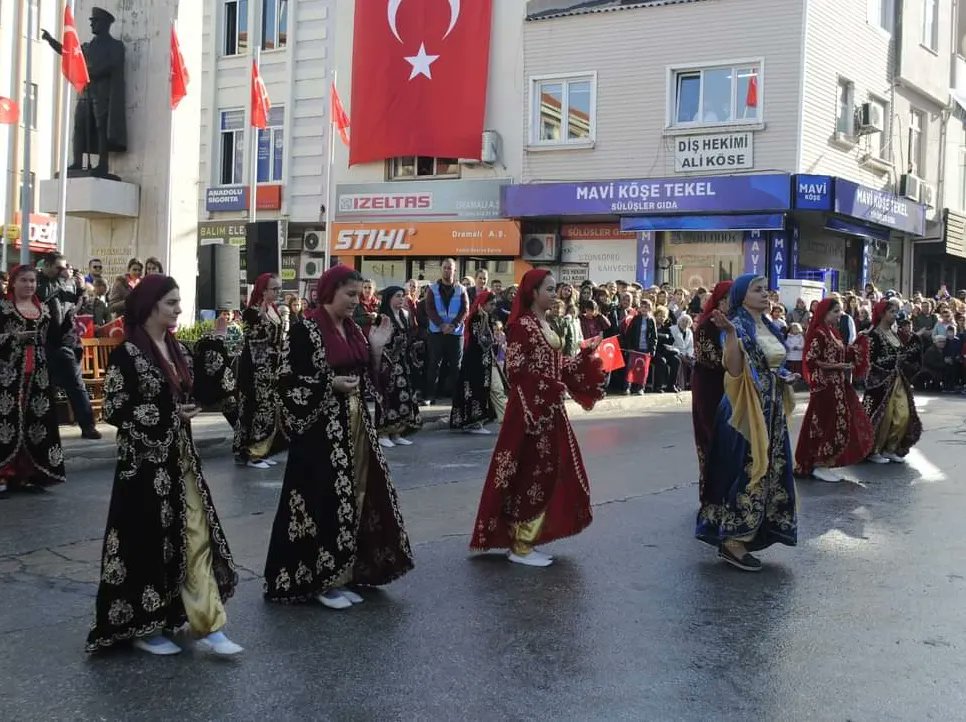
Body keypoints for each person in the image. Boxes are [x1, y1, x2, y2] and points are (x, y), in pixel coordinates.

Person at [86, 275, 242, 656]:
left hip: (181, 458)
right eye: (171, 303)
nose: (178, 309)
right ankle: (143, 624)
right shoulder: (129, 353)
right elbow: (116, 408)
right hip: (142, 466)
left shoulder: (178, 349)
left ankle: (208, 623)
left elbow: (207, 390)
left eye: (178, 303)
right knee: (146, 542)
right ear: (150, 305)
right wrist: (170, 414)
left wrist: (195, 399)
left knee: (195, 533)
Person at [263, 266, 414, 609]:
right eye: (349, 294)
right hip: (320, 434)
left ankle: (345, 573)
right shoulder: (306, 330)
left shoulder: (353, 330)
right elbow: (286, 380)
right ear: (329, 292)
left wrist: (375, 348)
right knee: (324, 499)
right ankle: (320, 579)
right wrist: (327, 385)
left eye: (358, 295)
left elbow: (368, 376)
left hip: (356, 428)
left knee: (355, 497)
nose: (355, 301)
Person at [470, 269, 606, 567]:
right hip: (530, 412)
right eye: (549, 289)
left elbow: (558, 365)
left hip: (550, 409)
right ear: (533, 292)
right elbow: (516, 371)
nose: (555, 293)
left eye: (555, 288)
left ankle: (528, 539)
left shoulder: (546, 322)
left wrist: (584, 358)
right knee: (530, 472)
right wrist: (549, 387)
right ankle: (520, 545)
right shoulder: (521, 326)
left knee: (550, 470)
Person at [696, 274, 799, 572]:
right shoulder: (736, 326)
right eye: (758, 290)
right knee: (746, 470)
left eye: (766, 289)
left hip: (772, 410)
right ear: (742, 295)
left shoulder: (770, 326)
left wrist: (785, 378)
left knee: (771, 470)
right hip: (745, 412)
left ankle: (755, 533)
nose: (765, 294)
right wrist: (729, 334)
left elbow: (772, 366)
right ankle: (732, 540)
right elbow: (734, 368)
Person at [0, 265, 67, 496]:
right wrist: (12, 338)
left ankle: (27, 475)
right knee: (7, 424)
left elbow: (55, 340)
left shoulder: (45, 310)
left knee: (35, 423)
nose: (29, 285)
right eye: (24, 280)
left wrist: (68, 320)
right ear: (13, 282)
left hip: (38, 375)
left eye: (32, 281)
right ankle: (4, 475)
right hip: (8, 375)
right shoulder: (4, 308)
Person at [793, 298, 874, 482]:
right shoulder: (818, 333)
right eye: (835, 311)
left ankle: (825, 462)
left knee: (838, 420)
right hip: (824, 385)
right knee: (824, 423)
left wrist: (860, 339)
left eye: (840, 311)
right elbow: (811, 360)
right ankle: (818, 463)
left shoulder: (833, 332)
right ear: (825, 312)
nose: (839, 315)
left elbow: (844, 352)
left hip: (837, 384)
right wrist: (836, 366)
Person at [36, 252, 101, 440]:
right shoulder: (39, 281)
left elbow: (78, 307)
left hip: (67, 341)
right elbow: (44, 295)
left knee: (76, 385)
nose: (63, 271)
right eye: (58, 267)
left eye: (65, 267)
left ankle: (88, 425)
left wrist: (81, 289)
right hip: (44, 341)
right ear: (47, 265)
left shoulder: (68, 282)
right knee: (43, 387)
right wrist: (63, 281)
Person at [234, 273, 286, 469]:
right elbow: (252, 339)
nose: (278, 292)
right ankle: (252, 452)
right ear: (263, 290)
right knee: (256, 407)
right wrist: (262, 319)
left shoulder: (274, 310)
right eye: (275, 289)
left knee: (269, 408)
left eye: (279, 289)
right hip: (257, 368)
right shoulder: (252, 312)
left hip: (273, 367)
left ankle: (263, 449)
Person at [863, 300, 923, 464]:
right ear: (882, 313)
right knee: (884, 416)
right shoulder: (873, 335)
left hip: (897, 379)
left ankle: (891, 448)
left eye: (897, 312)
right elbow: (871, 360)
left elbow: (900, 352)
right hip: (880, 382)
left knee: (903, 414)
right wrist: (893, 358)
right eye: (892, 312)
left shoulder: (894, 333)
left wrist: (908, 352)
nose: (895, 316)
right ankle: (874, 450)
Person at [690, 281, 731, 510]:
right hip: (710, 388)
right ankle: (710, 497)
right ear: (720, 300)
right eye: (727, 299)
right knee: (710, 438)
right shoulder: (707, 325)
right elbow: (712, 360)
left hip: (730, 387)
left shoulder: (735, 323)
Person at [374, 286, 422, 448]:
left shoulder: (404, 315)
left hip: (402, 363)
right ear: (389, 298)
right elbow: (377, 342)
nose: (401, 299)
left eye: (403, 296)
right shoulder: (382, 317)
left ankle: (397, 432)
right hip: (386, 364)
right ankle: (383, 433)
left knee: (403, 396)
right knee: (388, 397)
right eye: (398, 296)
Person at [450, 290, 503, 434]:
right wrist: (493, 338)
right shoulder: (476, 318)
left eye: (494, 304)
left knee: (481, 390)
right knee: (473, 390)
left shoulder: (487, 317)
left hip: (484, 361)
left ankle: (478, 422)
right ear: (482, 304)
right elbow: (482, 340)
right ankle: (473, 423)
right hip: (474, 361)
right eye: (491, 304)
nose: (493, 307)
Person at [424, 259, 468, 404]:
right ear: (441, 269)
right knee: (434, 364)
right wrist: (441, 324)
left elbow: (464, 310)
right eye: (445, 268)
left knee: (456, 366)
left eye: (451, 268)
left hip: (455, 334)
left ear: (455, 271)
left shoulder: (461, 289)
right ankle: (430, 395)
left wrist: (453, 324)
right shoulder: (433, 288)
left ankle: (457, 397)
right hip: (437, 332)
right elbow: (429, 309)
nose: (448, 270)